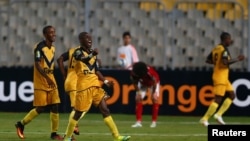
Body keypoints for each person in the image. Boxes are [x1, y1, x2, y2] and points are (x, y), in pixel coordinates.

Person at [63, 32, 131, 141]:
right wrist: (92, 54)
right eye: (87, 38)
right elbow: (84, 60)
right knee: (78, 113)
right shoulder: (77, 52)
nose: (90, 39)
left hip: (95, 86)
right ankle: (67, 137)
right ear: (81, 40)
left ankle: (117, 136)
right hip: (83, 87)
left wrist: (105, 81)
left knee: (105, 110)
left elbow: (96, 71)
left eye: (90, 38)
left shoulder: (92, 54)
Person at [15, 25, 63, 140]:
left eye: (54, 32)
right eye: (51, 32)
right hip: (41, 81)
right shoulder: (39, 47)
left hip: (51, 79)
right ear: (45, 35)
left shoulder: (53, 48)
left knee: (55, 106)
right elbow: (37, 64)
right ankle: (21, 124)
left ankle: (54, 133)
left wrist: (50, 77)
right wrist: (47, 78)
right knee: (41, 108)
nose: (54, 34)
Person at [199, 32, 245, 127]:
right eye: (229, 39)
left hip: (223, 77)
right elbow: (224, 62)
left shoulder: (216, 48)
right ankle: (205, 118)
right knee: (218, 99)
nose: (230, 41)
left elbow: (208, 60)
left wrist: (217, 63)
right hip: (220, 77)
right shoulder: (224, 50)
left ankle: (218, 115)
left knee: (232, 95)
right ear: (225, 39)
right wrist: (237, 59)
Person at [57, 46, 83, 138]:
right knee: (78, 109)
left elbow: (59, 59)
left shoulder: (72, 50)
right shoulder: (84, 52)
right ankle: (70, 133)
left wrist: (64, 75)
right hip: (74, 83)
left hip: (69, 80)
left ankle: (71, 132)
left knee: (77, 108)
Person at [130, 61, 160, 128]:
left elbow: (154, 83)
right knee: (138, 98)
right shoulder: (134, 73)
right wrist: (138, 92)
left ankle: (154, 122)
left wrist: (153, 93)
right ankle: (138, 122)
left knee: (154, 98)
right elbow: (134, 83)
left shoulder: (150, 73)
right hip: (143, 84)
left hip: (153, 83)